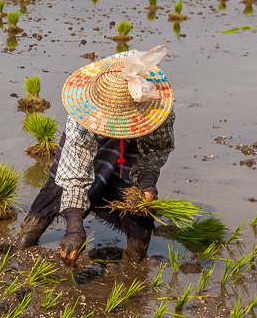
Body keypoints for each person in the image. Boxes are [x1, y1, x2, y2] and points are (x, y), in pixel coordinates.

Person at [16, 44, 175, 263]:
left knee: (139, 212)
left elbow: (157, 149)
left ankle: (135, 264)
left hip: (133, 146)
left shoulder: (156, 106)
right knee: (57, 186)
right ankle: (23, 245)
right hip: (92, 130)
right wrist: (74, 229)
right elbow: (73, 174)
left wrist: (148, 183)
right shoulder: (82, 114)